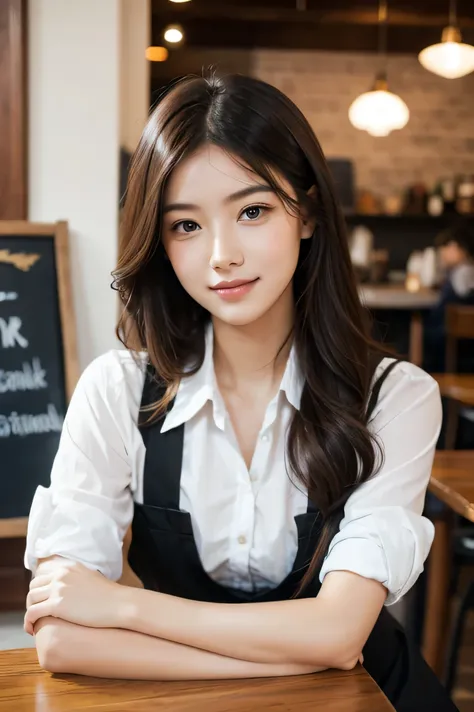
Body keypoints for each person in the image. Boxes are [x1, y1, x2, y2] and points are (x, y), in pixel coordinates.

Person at [23, 73, 458, 711]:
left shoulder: (396, 397)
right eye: (185, 226)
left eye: (252, 211)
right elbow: (61, 642)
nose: (221, 255)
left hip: (367, 698)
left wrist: (120, 606)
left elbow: (342, 635)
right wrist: (299, 656)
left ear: (306, 214)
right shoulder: (116, 392)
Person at [424, 220, 474, 374]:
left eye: (445, 248)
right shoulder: (461, 271)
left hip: (452, 349)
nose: (442, 253)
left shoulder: (464, 272)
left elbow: (463, 295)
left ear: (455, 247)